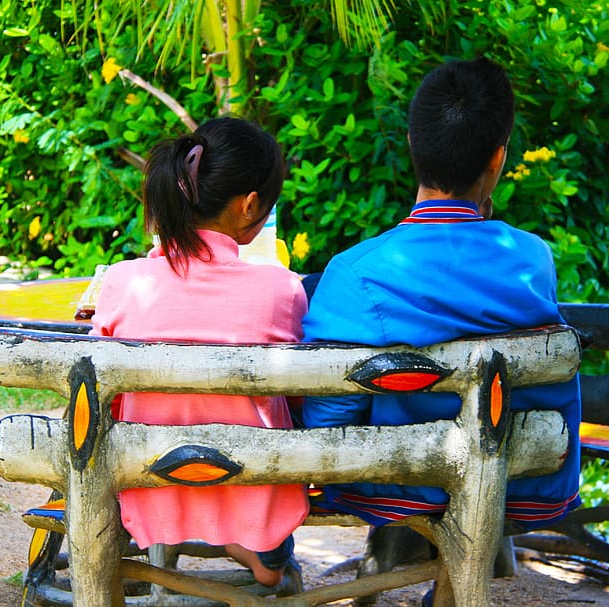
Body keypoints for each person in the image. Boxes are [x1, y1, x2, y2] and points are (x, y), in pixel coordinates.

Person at [301, 57, 581, 532]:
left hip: (400, 486)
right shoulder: (532, 258)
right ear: (498, 157)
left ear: (413, 143)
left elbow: (330, 421)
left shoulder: (356, 272)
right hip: (520, 484)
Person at [90, 117, 308, 588]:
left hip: (149, 487)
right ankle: (260, 555)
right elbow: (296, 395)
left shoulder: (123, 283)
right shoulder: (281, 289)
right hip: (257, 495)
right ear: (252, 206)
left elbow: (100, 396)